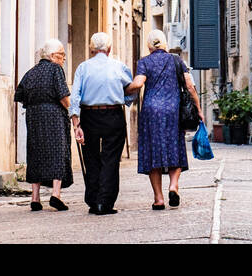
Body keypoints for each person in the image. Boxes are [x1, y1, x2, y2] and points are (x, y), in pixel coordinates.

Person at [127, 30, 202, 210]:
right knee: (174, 147)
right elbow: (190, 87)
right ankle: (173, 186)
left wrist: (121, 90)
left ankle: (159, 199)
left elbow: (138, 84)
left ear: (149, 45)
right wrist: (198, 110)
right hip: (173, 110)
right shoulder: (177, 60)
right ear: (165, 43)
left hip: (151, 112)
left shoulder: (144, 62)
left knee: (153, 151)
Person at [69, 31, 133, 215]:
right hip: (113, 114)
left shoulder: (83, 68)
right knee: (111, 159)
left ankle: (93, 200)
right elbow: (131, 89)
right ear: (109, 49)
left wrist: (76, 123)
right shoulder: (119, 66)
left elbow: (75, 96)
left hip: (89, 115)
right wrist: (124, 99)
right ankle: (104, 202)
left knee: (91, 158)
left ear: (91, 49)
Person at [14, 38, 73, 211]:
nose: (63, 59)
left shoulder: (31, 72)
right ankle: (56, 195)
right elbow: (63, 96)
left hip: (34, 115)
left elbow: (20, 95)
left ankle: (35, 198)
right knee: (57, 151)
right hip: (53, 114)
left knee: (36, 153)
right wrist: (71, 108)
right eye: (62, 55)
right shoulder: (56, 69)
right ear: (54, 56)